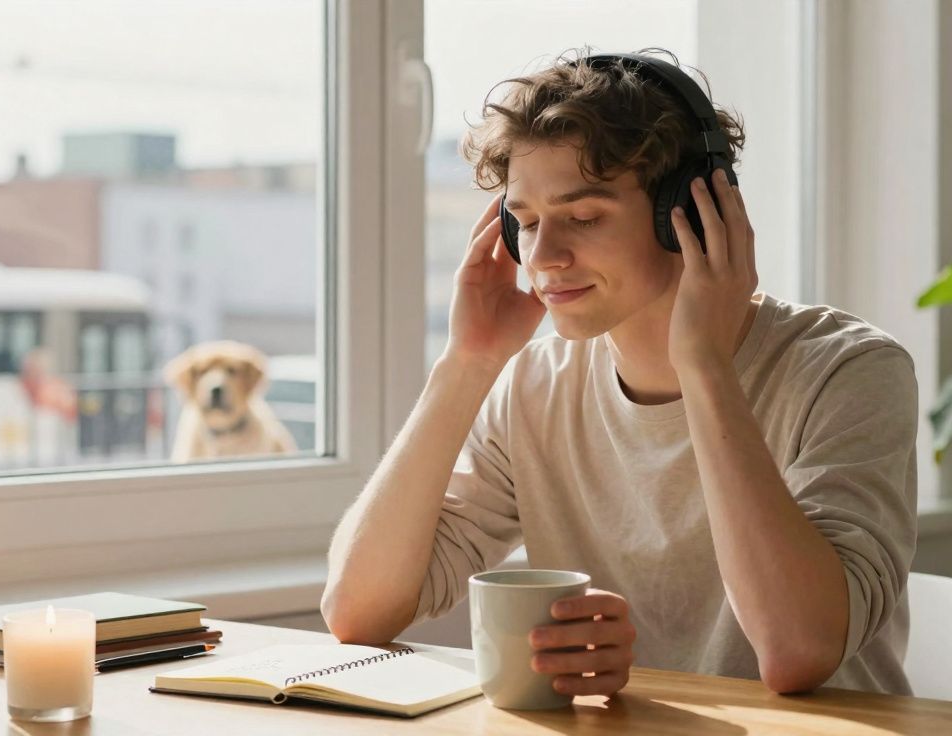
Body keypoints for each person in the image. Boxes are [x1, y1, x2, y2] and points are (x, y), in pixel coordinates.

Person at [322, 48, 918, 697]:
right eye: (524, 223)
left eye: (582, 217)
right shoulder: (534, 386)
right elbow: (358, 612)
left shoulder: (848, 371)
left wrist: (705, 367)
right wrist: (466, 362)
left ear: (686, 214)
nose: (542, 258)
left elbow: (797, 652)